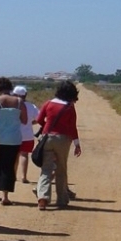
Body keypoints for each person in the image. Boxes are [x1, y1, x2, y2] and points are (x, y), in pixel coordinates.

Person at [35, 80, 81, 210]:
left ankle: (42, 198)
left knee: (46, 169)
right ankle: (61, 199)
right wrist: (77, 144)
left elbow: (39, 120)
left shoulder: (48, 103)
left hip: (47, 138)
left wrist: (47, 128)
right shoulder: (69, 107)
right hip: (63, 139)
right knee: (61, 169)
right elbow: (72, 127)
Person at [0, 77, 27, 205]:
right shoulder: (18, 101)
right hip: (13, 139)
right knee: (8, 167)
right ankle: (5, 196)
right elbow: (24, 120)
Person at [12, 85, 39, 184]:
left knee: (15, 156)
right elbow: (39, 118)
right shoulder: (31, 106)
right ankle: (24, 176)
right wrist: (31, 123)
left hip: (14, 135)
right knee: (24, 155)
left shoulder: (12, 105)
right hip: (27, 135)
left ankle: (14, 175)